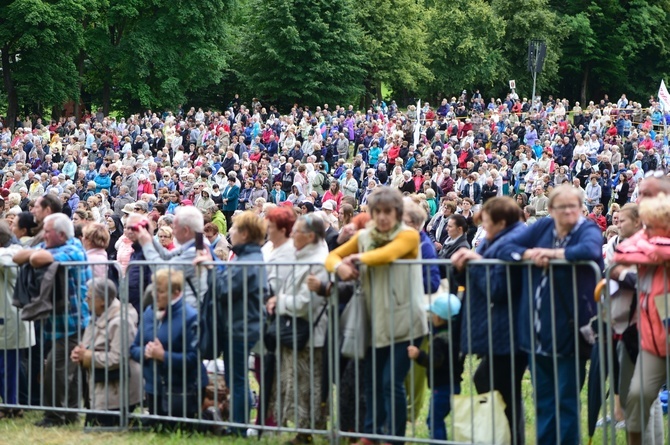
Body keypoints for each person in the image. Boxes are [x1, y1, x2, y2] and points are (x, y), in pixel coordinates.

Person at [496, 184, 604, 444]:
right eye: (562, 207)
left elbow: (590, 251)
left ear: (580, 208)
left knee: (566, 402)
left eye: (573, 206)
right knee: (543, 400)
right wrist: (526, 253)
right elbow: (503, 247)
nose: (568, 211)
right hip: (535, 331)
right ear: (551, 209)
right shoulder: (543, 227)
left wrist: (553, 254)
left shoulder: (586, 228)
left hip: (568, 330)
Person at [326, 187, 428, 445]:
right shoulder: (365, 236)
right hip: (375, 321)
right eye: (378, 212)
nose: (383, 217)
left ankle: (393, 439)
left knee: (390, 382)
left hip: (405, 322)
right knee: (372, 381)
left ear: (397, 213)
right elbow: (332, 257)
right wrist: (340, 268)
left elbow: (387, 255)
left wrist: (357, 259)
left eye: (388, 212)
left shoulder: (409, 236)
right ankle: (371, 435)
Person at [451, 196, 528, 444]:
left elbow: (499, 287)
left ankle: (510, 437)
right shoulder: (493, 241)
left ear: (502, 222)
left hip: (509, 331)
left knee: (502, 388)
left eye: (486, 222)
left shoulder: (511, 243)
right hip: (495, 328)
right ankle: (503, 436)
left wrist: (475, 264)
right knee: (496, 385)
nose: (483, 227)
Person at [12, 213, 91, 427]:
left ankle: (54, 416)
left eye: (47, 232)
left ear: (62, 234)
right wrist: (36, 252)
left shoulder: (74, 249)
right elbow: (17, 258)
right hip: (57, 323)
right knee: (68, 371)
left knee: (55, 370)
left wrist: (36, 252)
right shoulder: (56, 247)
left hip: (72, 324)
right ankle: (70, 414)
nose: (43, 235)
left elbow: (36, 258)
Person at [194, 211, 269, 436]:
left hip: (241, 326)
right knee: (235, 378)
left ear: (244, 234)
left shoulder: (249, 260)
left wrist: (210, 268)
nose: (231, 233)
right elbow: (227, 280)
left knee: (237, 380)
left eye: (234, 229)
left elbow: (225, 289)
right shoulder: (247, 257)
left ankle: (238, 428)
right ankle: (238, 425)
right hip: (237, 324)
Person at [265, 214, 330, 445]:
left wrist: (279, 302)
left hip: (311, 335)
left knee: (309, 387)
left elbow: (305, 303)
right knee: (299, 386)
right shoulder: (302, 256)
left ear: (310, 236)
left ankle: (306, 434)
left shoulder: (318, 262)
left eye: (297, 231)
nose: (292, 234)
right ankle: (302, 432)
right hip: (298, 332)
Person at [614, 193, 670, 445]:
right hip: (645, 331)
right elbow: (623, 255)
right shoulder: (641, 242)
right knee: (643, 397)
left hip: (659, 317)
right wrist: (651, 251)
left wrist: (648, 249)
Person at [129, 269, 207, 424]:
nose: (155, 295)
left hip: (182, 390)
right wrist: (146, 352)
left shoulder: (190, 317)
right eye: (154, 290)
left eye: (161, 291)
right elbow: (134, 348)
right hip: (154, 388)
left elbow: (193, 359)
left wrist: (163, 355)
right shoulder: (149, 313)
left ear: (176, 293)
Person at [71, 277, 142, 427]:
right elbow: (88, 347)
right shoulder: (96, 316)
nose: (85, 300)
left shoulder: (121, 321)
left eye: (89, 297)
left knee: (102, 429)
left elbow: (118, 358)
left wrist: (88, 357)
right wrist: (79, 354)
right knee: (92, 427)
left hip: (117, 393)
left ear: (102, 300)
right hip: (100, 390)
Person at [407, 293, 461, 442]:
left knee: (434, 420)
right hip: (454, 385)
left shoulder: (439, 341)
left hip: (441, 388)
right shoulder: (455, 337)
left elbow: (435, 361)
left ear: (438, 318)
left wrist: (419, 355)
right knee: (438, 418)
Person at [135, 205, 207, 307]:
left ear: (185, 230)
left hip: (190, 313)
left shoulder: (196, 251)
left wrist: (146, 245)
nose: (172, 232)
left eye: (174, 228)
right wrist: (149, 236)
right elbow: (167, 256)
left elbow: (163, 271)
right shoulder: (194, 244)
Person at [0, 221, 35, 419]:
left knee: (9, 366)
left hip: (11, 317)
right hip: (7, 317)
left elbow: (8, 260)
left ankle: (11, 406)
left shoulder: (12, 253)